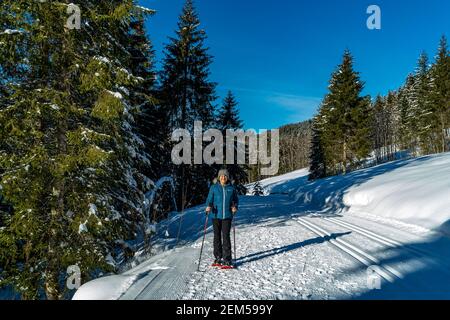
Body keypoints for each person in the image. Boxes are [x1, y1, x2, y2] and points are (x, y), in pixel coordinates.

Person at [205, 169, 239, 268]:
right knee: (217, 237)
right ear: (219, 177)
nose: (223, 177)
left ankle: (227, 260)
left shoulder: (231, 188)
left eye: (225, 176)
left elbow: (235, 200)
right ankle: (218, 258)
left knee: (226, 237)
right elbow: (209, 199)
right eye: (221, 176)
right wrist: (208, 206)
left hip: (227, 216)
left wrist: (235, 207)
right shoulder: (214, 188)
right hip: (216, 215)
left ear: (227, 177)